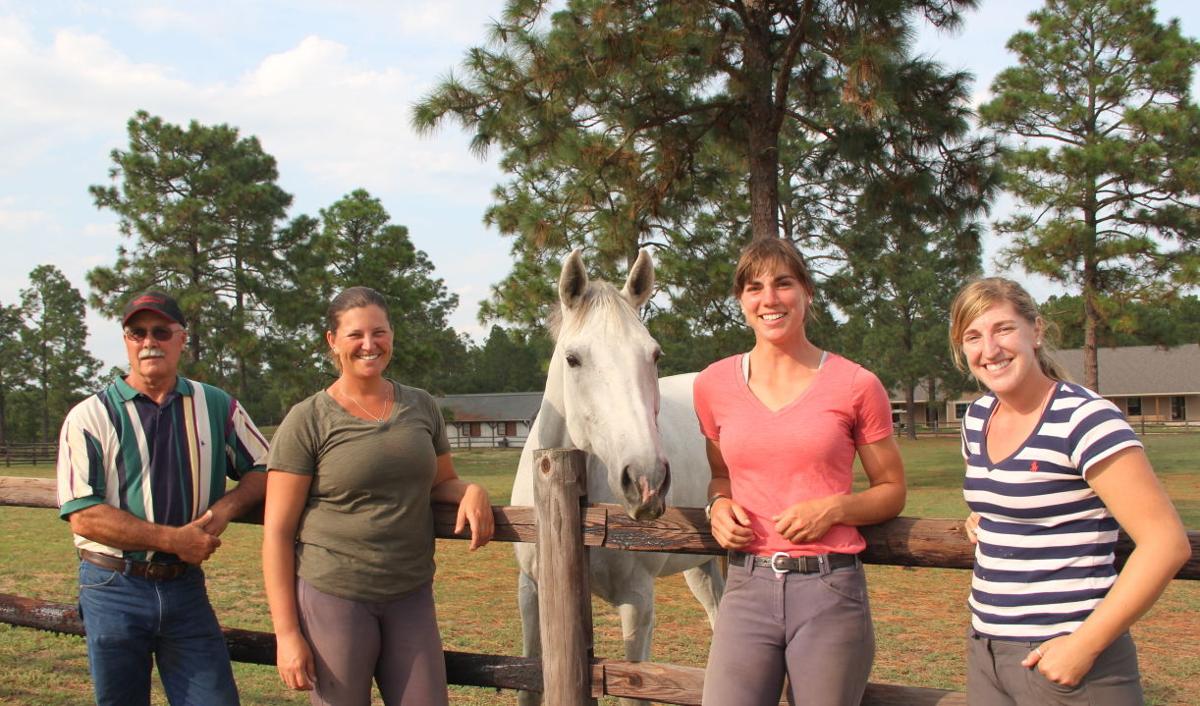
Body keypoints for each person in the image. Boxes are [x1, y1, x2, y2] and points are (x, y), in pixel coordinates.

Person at [950, 277, 1190, 705]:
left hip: (1068, 660)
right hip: (986, 650)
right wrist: (987, 516)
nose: (989, 349)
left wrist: (1084, 646)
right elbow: (1015, 497)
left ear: (1036, 331)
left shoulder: (1086, 419)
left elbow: (1166, 543)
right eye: (973, 336)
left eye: (1003, 328)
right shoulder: (976, 417)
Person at [694, 238, 906, 706]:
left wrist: (833, 509)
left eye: (783, 284)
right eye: (754, 288)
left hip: (829, 589)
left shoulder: (856, 384)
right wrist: (719, 504)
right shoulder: (712, 385)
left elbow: (892, 490)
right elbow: (721, 475)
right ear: (742, 302)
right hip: (746, 587)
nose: (769, 299)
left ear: (807, 292)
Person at [262, 286, 494, 706]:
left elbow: (440, 483)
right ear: (333, 342)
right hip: (335, 594)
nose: (369, 345)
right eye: (355, 335)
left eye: (379, 332)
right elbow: (277, 533)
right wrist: (287, 634)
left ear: (391, 336)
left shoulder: (420, 406)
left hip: (411, 592)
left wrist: (472, 490)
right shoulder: (308, 419)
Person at [56, 290, 270, 706]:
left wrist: (224, 509)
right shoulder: (90, 416)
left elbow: (265, 468)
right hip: (113, 584)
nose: (149, 341)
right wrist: (175, 541)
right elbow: (83, 513)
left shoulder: (216, 405)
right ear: (126, 340)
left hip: (184, 586)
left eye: (161, 331)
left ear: (181, 339)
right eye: (137, 332)